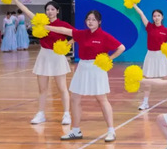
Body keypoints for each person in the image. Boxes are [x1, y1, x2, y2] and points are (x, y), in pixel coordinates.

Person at [45, 10, 125, 142]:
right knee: (75, 98)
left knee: (102, 99)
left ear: (99, 22)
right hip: (82, 67)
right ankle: (75, 130)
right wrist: (47, 27)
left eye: (93, 19)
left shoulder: (104, 36)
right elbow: (64, 31)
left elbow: (121, 47)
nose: (90, 22)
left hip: (97, 68)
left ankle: (111, 131)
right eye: (88, 19)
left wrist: (109, 59)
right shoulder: (81, 34)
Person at [14, 0, 75, 125]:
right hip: (44, 56)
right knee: (42, 89)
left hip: (57, 57)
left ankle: (66, 114)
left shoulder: (63, 24)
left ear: (57, 11)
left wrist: (66, 45)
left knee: (62, 88)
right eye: (47, 9)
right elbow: (26, 11)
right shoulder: (40, 22)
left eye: (52, 9)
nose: (50, 11)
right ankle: (40, 113)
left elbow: (77, 35)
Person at [130, 4, 167, 111]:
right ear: (152, 18)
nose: (156, 18)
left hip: (161, 56)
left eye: (158, 16)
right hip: (150, 56)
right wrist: (134, 4)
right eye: (154, 16)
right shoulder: (149, 27)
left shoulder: (166, 30)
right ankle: (145, 103)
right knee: (147, 80)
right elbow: (141, 14)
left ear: (162, 17)